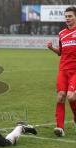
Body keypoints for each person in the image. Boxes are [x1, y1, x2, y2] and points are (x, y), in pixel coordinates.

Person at [47, 6, 76, 137]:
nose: (67, 19)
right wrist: (52, 48)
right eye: (66, 16)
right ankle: (60, 128)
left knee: (71, 96)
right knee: (60, 97)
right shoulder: (62, 33)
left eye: (70, 16)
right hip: (63, 70)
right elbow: (61, 52)